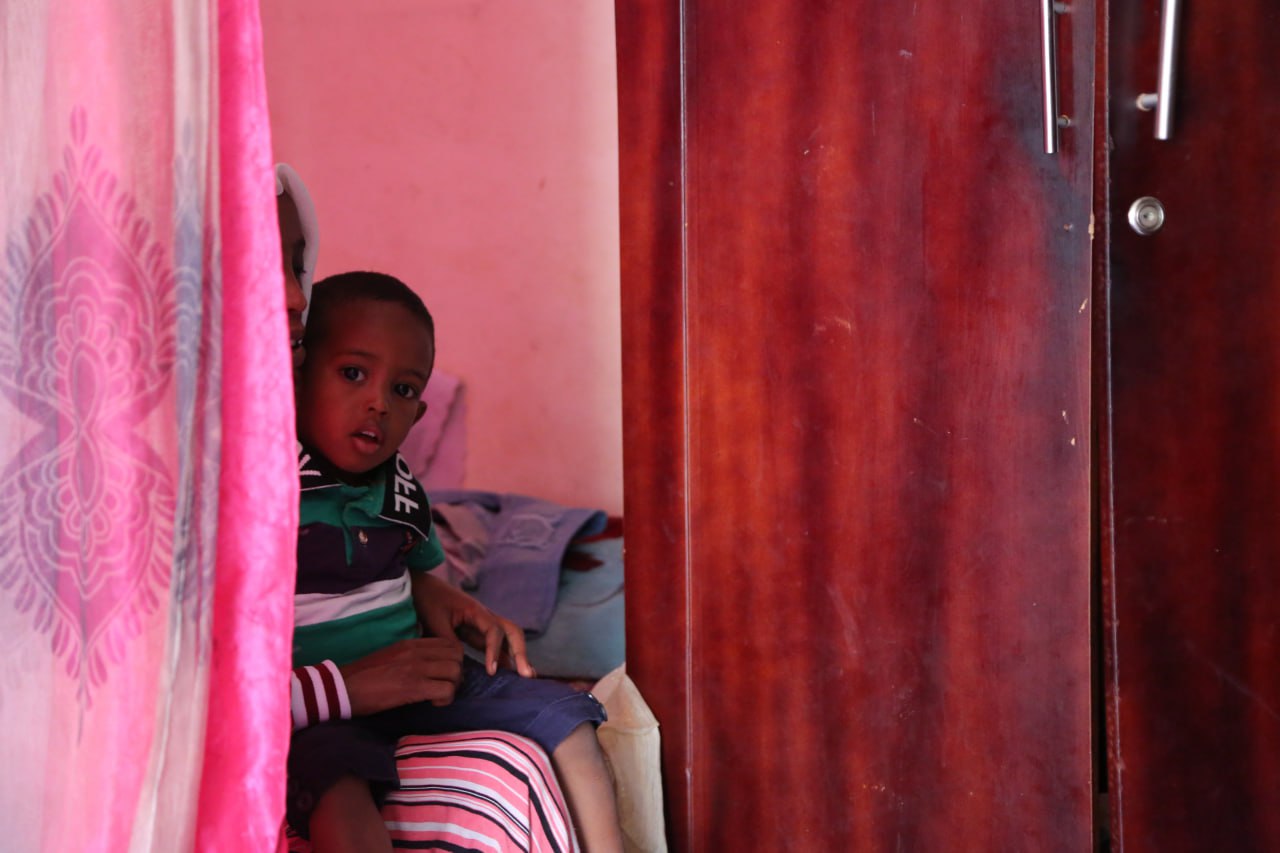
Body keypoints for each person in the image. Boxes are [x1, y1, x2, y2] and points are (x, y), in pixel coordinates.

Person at [286, 270, 623, 853]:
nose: (378, 402)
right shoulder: (274, 489)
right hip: (330, 708)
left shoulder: (401, 488)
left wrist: (452, 600)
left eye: (404, 390)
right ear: (295, 376)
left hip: (425, 676)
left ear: (418, 416)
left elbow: (415, 570)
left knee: (567, 718)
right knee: (338, 791)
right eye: (353, 374)